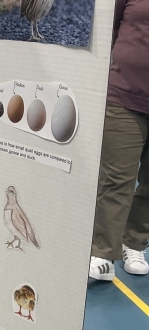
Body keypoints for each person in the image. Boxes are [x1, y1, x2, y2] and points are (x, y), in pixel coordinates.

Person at [90, 0, 149, 281]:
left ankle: (135, 243)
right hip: (125, 95)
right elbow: (108, 28)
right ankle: (103, 252)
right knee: (116, 179)